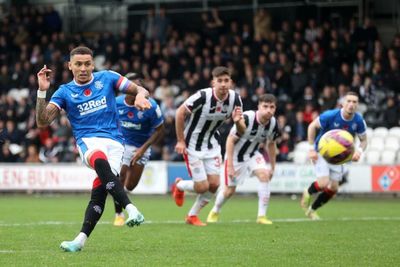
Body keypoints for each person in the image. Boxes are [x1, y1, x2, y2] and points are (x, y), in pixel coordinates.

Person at [36, 46, 151, 252]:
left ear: (93, 64)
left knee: (99, 192)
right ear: (70, 66)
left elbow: (140, 89)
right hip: (88, 142)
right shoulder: (64, 91)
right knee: (99, 159)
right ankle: (131, 208)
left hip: (115, 143)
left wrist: (142, 96)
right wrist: (42, 91)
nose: (83, 68)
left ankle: (79, 241)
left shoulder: (107, 77)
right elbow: (43, 121)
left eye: (87, 64)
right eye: (78, 64)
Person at [171, 66, 246, 226]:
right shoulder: (202, 96)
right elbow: (179, 113)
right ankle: (179, 185)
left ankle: (192, 216)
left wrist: (238, 122)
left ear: (231, 82)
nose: (223, 84)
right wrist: (180, 141)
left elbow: (242, 130)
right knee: (202, 187)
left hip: (212, 144)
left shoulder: (235, 99)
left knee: (214, 185)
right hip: (192, 145)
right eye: (220, 81)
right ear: (214, 82)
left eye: (226, 81)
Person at [207, 94, 279, 225]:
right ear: (259, 107)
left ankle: (261, 216)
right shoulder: (247, 118)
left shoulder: (273, 123)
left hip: (252, 154)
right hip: (235, 157)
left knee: (264, 176)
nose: (268, 110)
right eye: (265, 106)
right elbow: (230, 140)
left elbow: (271, 144)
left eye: (272, 107)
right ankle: (215, 210)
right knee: (229, 191)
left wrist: (273, 167)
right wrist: (229, 165)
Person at [301, 91, 368, 220]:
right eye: (348, 101)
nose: (351, 104)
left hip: (339, 157)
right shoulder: (330, 115)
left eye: (354, 102)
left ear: (357, 104)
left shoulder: (359, 120)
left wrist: (359, 151)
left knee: (334, 187)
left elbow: (364, 140)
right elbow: (312, 126)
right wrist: (311, 149)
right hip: (322, 152)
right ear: (342, 103)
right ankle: (308, 192)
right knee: (323, 183)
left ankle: (312, 210)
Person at [113, 73, 164, 226]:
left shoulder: (151, 106)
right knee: (120, 176)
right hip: (123, 144)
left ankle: (125, 188)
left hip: (142, 146)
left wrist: (143, 149)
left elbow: (160, 130)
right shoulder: (116, 103)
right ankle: (119, 214)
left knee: (130, 186)